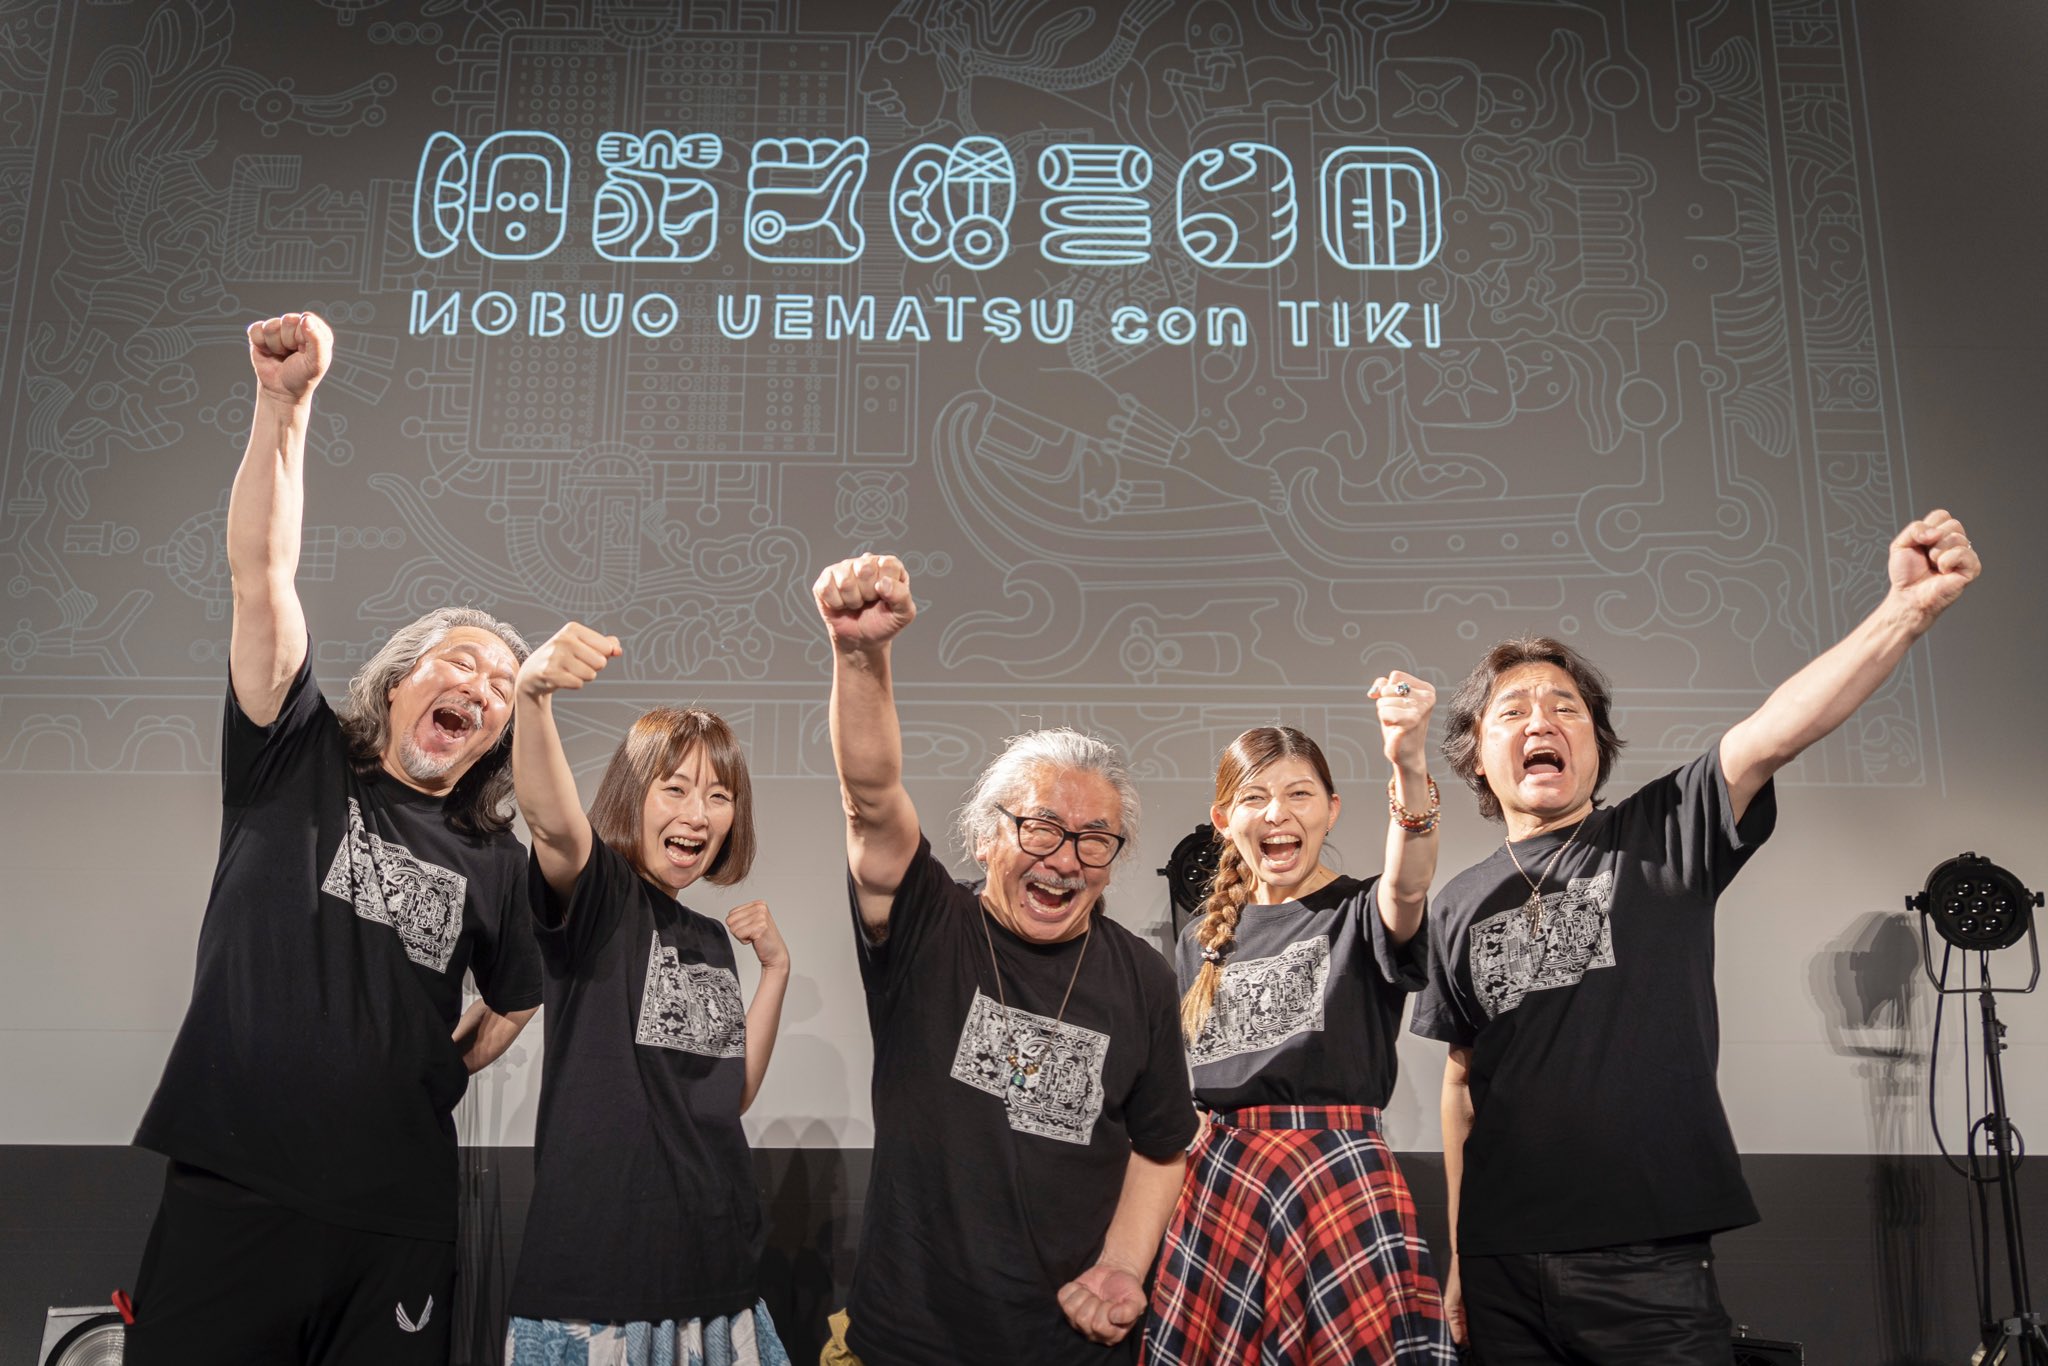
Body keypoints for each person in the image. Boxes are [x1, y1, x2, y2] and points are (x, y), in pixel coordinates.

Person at [1413, 511, 1982, 1363]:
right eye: (1513, 710)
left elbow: (1779, 727)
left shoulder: (1662, 831)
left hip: (1646, 1258)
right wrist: (1463, 1252)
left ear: (1596, 744)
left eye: (1566, 707)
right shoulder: (1457, 902)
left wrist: (1906, 610)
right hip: (1501, 1269)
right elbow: (1461, 1085)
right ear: (1476, 753)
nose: (1541, 721)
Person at [128, 312, 543, 1365]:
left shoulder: (497, 861)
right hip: (237, 1186)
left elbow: (517, 995)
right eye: (461, 662)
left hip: (396, 1217)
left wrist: (436, 1067)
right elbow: (261, 574)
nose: (482, 686)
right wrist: (284, 405)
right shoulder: (293, 751)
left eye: (503, 686)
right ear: (400, 681)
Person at [813, 552, 1199, 1366]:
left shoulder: (1142, 977)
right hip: (910, 1345)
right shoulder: (929, 927)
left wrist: (1122, 1266)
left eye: (1094, 840)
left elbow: (1162, 1145)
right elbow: (872, 801)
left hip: (1069, 1349)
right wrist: (860, 654)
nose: (1065, 859)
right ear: (988, 837)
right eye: (1041, 828)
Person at [501, 620, 793, 1366]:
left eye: (719, 796)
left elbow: (729, 1095)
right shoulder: (601, 897)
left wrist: (775, 973)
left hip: (715, 1271)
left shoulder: (710, 939)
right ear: (635, 796)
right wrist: (532, 698)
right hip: (602, 1283)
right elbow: (552, 825)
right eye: (676, 788)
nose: (698, 814)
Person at [1144, 702, 1459, 1363]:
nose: (1277, 813)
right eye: (1254, 797)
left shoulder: (1361, 911)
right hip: (1221, 1192)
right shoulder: (1199, 943)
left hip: (1337, 1183)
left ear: (1331, 810)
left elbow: (1410, 884)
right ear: (1224, 819)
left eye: (1299, 794)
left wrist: (1408, 760)